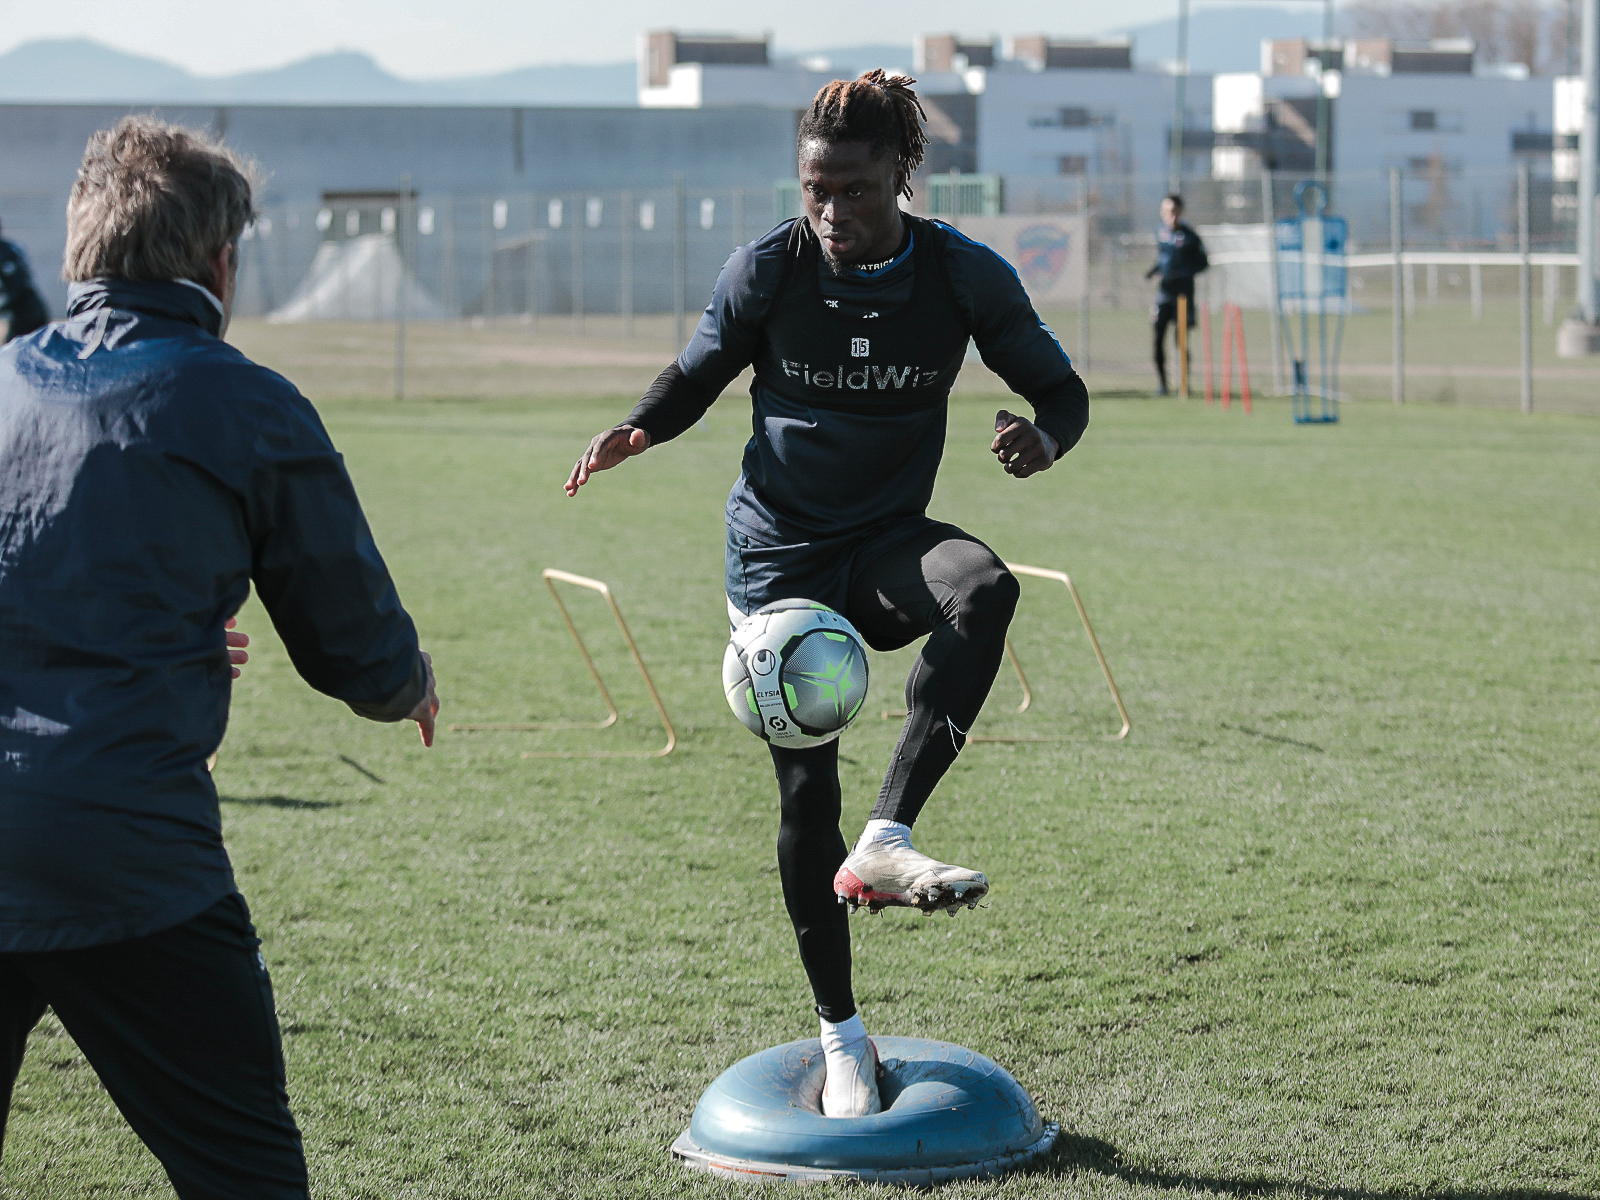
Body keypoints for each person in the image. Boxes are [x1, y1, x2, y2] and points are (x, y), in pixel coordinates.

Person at [564, 71, 1089, 1119]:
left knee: (983, 589)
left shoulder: (961, 275)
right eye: (815, 189)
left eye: (852, 189)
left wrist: (1044, 435)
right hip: (778, 572)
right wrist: (637, 426)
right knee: (806, 796)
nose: (832, 212)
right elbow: (701, 366)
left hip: (884, 543)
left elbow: (1061, 388)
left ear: (901, 173)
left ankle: (887, 842)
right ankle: (840, 1034)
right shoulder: (770, 266)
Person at [0, 116, 439, 1198]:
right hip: (130, 858)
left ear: (79, 248)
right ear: (221, 258)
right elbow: (356, 655)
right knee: (242, 1171)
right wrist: (408, 682)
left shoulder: (3, 376)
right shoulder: (246, 400)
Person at [1143, 194, 1208, 396]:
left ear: (1179, 212)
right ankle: (1163, 385)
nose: (1168, 216)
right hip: (1163, 296)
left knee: (1180, 340)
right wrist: (1153, 271)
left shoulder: (1190, 236)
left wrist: (1182, 273)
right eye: (1164, 212)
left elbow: (1203, 263)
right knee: (1157, 338)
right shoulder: (1161, 233)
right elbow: (1163, 259)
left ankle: (1183, 384)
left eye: (1171, 211)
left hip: (1182, 297)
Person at [0, 217, 50, 342]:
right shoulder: (11, 246)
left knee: (13, 353)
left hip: (27, 312)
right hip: (29, 308)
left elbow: (17, 286)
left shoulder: (5, 251)